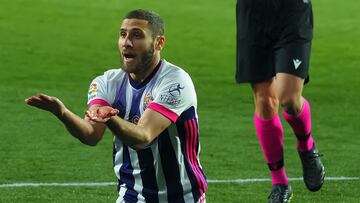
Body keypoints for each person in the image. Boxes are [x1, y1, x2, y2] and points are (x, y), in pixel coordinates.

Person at [25, 9, 207, 203]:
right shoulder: (107, 82)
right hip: (131, 196)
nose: (126, 42)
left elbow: (143, 136)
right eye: (123, 34)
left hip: (182, 198)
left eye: (137, 35)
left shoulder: (175, 82)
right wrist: (62, 112)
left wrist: (110, 119)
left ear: (158, 43)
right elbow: (91, 134)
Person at [235, 0, 325, 202]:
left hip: (291, 13)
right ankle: (280, 183)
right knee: (265, 101)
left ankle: (306, 146)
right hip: (253, 14)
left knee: (289, 100)